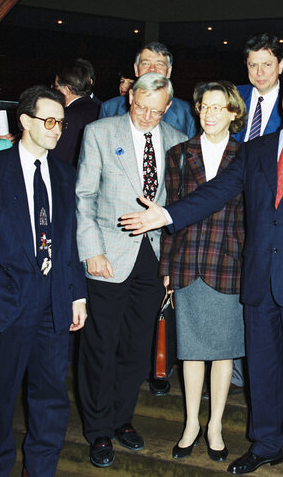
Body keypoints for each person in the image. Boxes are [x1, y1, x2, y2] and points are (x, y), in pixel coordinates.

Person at [121, 65, 283, 477]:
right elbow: (216, 192)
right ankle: (266, 445)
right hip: (259, 280)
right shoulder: (256, 149)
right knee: (263, 371)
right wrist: (167, 215)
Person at [76, 72, 188, 468]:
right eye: (140, 107)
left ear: (168, 108)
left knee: (137, 348)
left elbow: (180, 209)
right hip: (108, 254)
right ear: (130, 99)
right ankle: (98, 430)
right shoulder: (100, 132)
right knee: (100, 346)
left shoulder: (177, 141)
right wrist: (90, 250)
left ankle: (122, 419)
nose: (145, 117)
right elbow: (84, 195)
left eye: (155, 112)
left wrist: (173, 263)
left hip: (154, 259)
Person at [0, 85, 87, 477]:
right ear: (24, 121)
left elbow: (69, 240)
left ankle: (40, 470)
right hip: (7, 303)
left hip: (55, 302)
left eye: (61, 122)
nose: (57, 129)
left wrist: (77, 294)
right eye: (49, 120)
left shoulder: (64, 174)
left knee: (50, 397)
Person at [160, 81, 247, 464]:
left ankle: (215, 426)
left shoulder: (247, 155)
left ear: (233, 113)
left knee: (223, 352)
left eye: (218, 107)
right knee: (191, 351)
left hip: (228, 263)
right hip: (187, 260)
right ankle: (191, 423)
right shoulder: (178, 154)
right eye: (204, 107)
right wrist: (166, 267)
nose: (209, 113)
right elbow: (168, 213)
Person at [98, 42, 197, 137]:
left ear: (169, 71)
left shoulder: (187, 113)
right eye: (145, 63)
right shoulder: (110, 108)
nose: (152, 69)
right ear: (136, 69)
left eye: (159, 64)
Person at [231, 33, 283, 143]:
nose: (260, 72)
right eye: (253, 65)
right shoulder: (233, 96)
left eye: (267, 65)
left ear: (280, 66)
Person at [51, 59, 100, 167]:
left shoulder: (66, 116)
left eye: (56, 87)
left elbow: (56, 158)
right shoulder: (100, 110)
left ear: (66, 90)